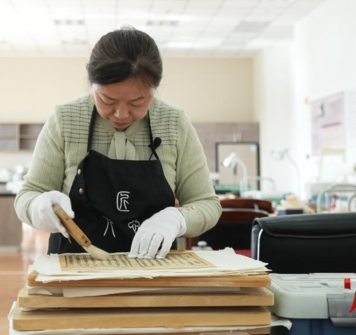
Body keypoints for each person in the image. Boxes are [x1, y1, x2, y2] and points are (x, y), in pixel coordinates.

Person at [14, 27, 222, 259]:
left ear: (154, 91)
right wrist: (38, 206)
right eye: (107, 99)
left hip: (154, 271)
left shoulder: (174, 123)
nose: (121, 114)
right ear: (91, 85)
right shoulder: (65, 119)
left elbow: (206, 204)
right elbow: (28, 195)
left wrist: (178, 219)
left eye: (138, 101)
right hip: (74, 271)